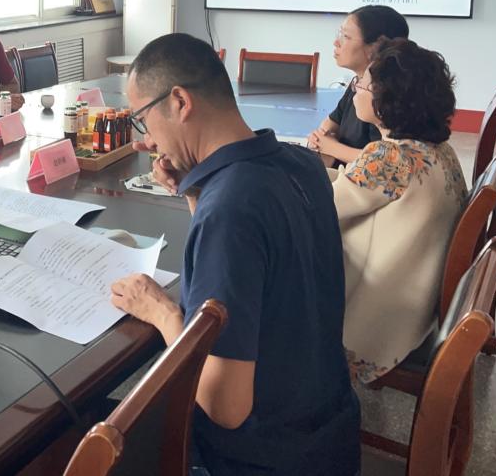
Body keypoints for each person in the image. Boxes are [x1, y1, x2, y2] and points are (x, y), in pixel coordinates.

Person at [109, 33, 360, 476]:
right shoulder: (301, 163)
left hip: (260, 458)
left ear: (180, 102)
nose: (147, 140)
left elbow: (225, 407)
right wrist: (195, 192)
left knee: (94, 434)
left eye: (144, 120)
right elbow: (251, 266)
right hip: (329, 437)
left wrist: (163, 313)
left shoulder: (231, 209)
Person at [333, 38, 467, 384]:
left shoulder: (389, 158)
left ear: (385, 101)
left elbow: (318, 210)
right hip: (415, 312)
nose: (355, 89)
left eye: (361, 83)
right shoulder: (434, 150)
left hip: (372, 324)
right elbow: (355, 185)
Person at [308, 5, 409, 165]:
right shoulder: (357, 84)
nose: (336, 42)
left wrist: (332, 148)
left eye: (346, 37)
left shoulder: (388, 96)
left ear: (375, 47)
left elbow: (387, 161)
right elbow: (327, 128)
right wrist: (320, 141)